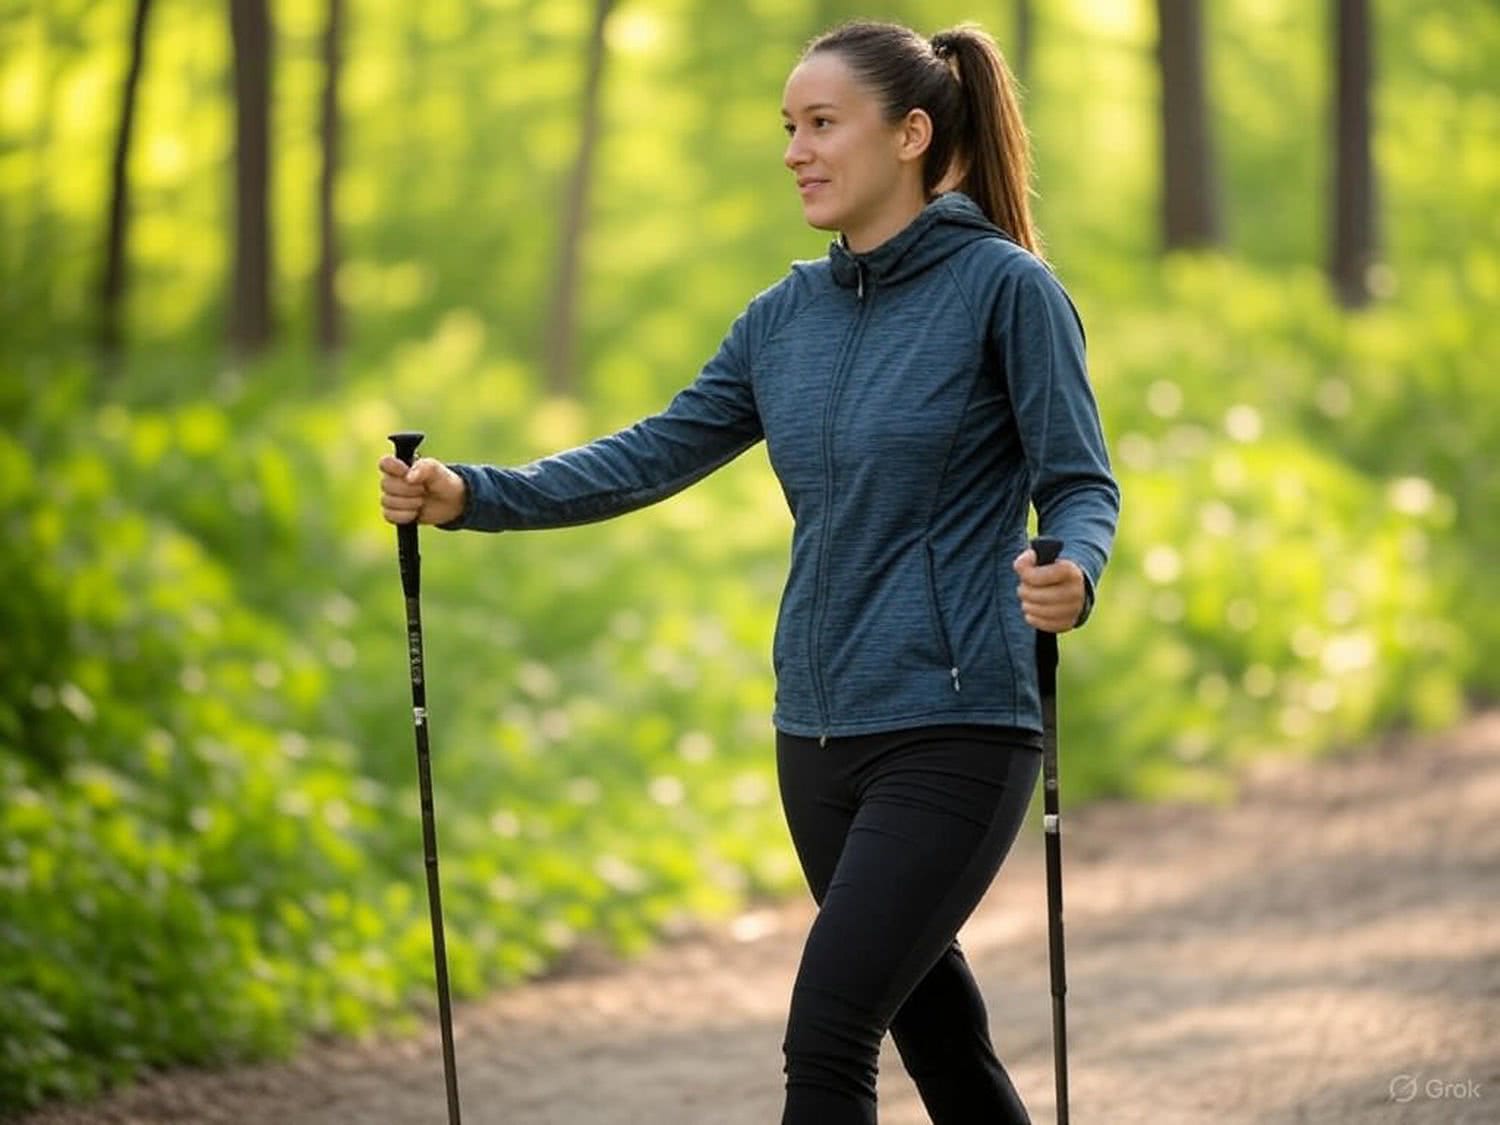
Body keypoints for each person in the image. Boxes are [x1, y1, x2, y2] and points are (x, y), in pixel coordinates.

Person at [380, 17, 1119, 1124]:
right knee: (942, 1043)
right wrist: (474, 492)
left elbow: (1080, 484)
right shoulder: (784, 319)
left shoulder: (1006, 293)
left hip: (958, 725)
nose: (795, 151)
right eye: (789, 127)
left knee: (827, 1033)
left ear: (912, 133)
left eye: (823, 124)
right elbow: (651, 453)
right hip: (816, 735)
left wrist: (1075, 571)